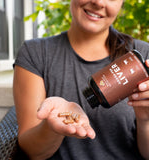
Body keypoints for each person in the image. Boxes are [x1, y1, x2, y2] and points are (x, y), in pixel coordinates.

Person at [13, 0, 149, 159]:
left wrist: (145, 120)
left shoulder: (142, 57)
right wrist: (51, 128)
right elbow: (33, 152)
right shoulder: (35, 53)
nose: (98, 2)